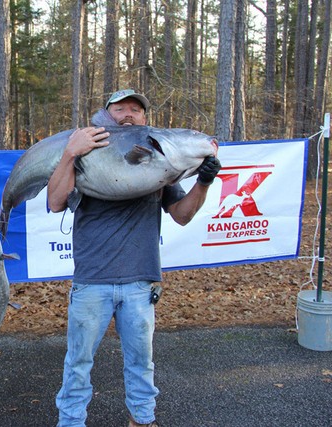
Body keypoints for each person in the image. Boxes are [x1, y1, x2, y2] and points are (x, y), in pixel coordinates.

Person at [47, 89, 221, 427]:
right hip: (91, 282)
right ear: (106, 115)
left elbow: (182, 215)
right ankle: (70, 421)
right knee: (78, 363)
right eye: (120, 108)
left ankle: (142, 420)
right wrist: (70, 154)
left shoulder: (158, 164)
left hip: (140, 282)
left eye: (136, 110)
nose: (129, 114)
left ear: (145, 119)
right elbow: (55, 202)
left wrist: (204, 182)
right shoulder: (87, 155)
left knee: (142, 363)